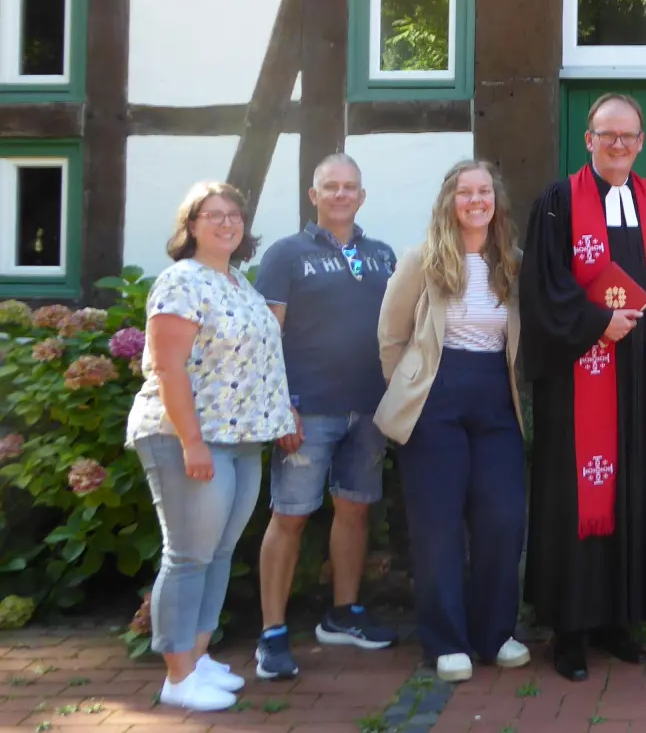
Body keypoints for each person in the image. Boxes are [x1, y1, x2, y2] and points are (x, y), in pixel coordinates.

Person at [126, 182, 296, 711]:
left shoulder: (238, 283)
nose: (226, 222)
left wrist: (282, 408)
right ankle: (177, 675)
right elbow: (168, 366)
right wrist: (192, 442)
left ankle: (197, 658)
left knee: (219, 552)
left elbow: (259, 359)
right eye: (212, 214)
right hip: (186, 437)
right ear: (191, 225)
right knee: (188, 555)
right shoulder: (181, 282)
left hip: (241, 438)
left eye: (234, 215)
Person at [522, 93, 646, 682]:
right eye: (607, 135)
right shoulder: (558, 202)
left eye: (628, 137)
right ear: (588, 140)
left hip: (639, 378)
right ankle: (569, 631)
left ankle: (619, 620)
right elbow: (543, 287)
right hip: (579, 379)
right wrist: (595, 325)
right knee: (574, 499)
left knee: (630, 489)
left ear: (639, 143)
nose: (618, 145)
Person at [374, 160, 528, 683]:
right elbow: (391, 336)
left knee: (503, 518)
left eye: (485, 190)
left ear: (496, 201)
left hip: (495, 397)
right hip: (434, 399)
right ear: (450, 201)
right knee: (437, 524)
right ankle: (446, 641)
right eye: (466, 192)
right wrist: (410, 391)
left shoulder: (510, 261)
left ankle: (495, 634)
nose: (476, 200)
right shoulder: (423, 259)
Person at [253, 154, 398, 682]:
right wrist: (280, 405)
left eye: (350, 187)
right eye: (330, 186)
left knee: (355, 512)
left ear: (362, 196)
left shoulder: (382, 255)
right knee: (289, 516)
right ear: (313, 195)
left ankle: (342, 614)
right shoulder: (285, 255)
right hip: (306, 410)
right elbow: (267, 338)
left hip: (370, 410)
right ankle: (271, 633)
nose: (341, 194)